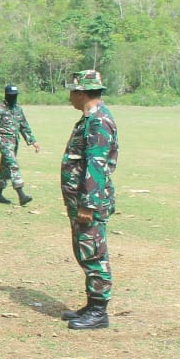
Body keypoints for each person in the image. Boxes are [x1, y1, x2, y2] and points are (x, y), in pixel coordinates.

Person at [60, 70, 119, 330]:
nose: (70, 97)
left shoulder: (98, 122)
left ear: (81, 92)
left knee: (94, 253)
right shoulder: (89, 120)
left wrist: (89, 203)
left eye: (72, 91)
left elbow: (96, 165)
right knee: (86, 251)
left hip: (89, 202)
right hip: (81, 200)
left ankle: (98, 312)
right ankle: (91, 303)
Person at [0, 84, 40, 205]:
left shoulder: (18, 109)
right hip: (3, 140)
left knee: (5, 168)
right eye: (11, 96)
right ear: (6, 95)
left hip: (14, 141)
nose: (13, 98)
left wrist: (33, 141)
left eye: (15, 96)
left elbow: (24, 126)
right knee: (13, 164)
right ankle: (21, 194)